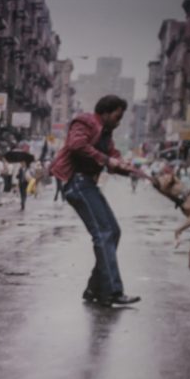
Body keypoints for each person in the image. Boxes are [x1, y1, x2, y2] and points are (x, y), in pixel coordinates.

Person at [50, 94, 140, 308]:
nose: (119, 122)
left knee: (113, 232)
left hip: (88, 184)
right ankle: (112, 291)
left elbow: (112, 156)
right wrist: (109, 160)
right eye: (117, 117)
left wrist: (125, 166)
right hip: (77, 182)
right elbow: (76, 145)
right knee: (104, 233)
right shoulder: (85, 121)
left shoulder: (106, 135)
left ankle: (94, 288)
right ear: (106, 112)